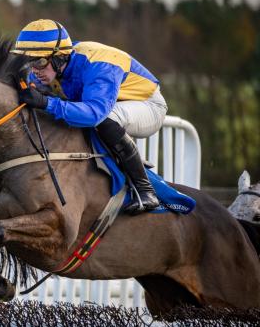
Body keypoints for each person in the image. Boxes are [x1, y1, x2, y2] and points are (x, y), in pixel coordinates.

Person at [11, 19, 167, 214]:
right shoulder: (53, 65)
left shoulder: (99, 66)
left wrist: (46, 103)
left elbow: (94, 114)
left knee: (105, 119)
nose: (35, 70)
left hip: (148, 105)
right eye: (29, 62)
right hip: (112, 103)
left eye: (40, 62)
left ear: (60, 57)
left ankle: (146, 190)